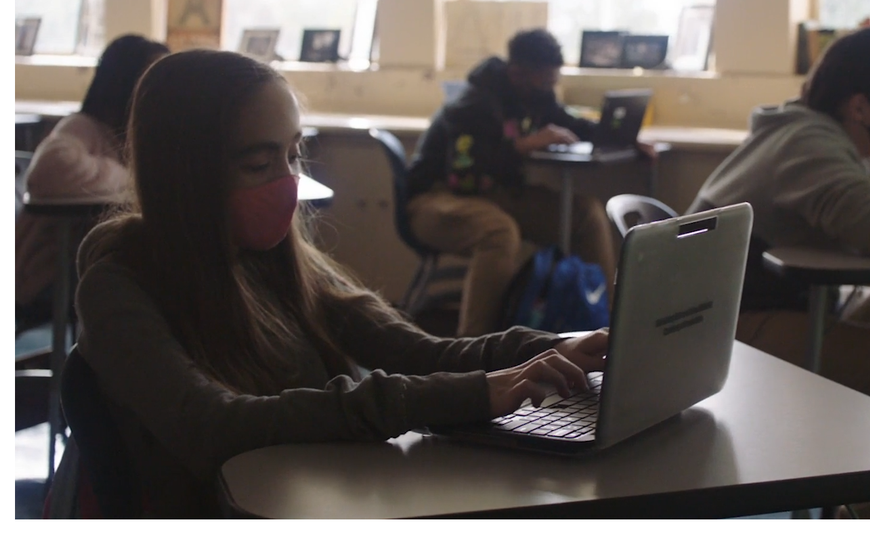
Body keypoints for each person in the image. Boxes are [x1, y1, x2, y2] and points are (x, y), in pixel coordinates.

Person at [52, 50, 608, 517]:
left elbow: (416, 351)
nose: (286, 184)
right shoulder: (117, 287)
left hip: (313, 502)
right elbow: (211, 425)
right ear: (186, 171)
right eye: (257, 163)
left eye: (292, 156)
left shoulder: (277, 258)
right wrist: (474, 392)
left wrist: (553, 350)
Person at [688, 28, 870, 429]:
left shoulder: (834, 137)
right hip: (726, 322)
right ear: (859, 107)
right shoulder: (809, 145)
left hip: (796, 300)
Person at [407, 29, 653, 336]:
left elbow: (570, 123)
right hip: (435, 198)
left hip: (493, 195)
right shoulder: (474, 103)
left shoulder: (535, 94)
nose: (551, 87)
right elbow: (463, 172)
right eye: (546, 81)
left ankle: (609, 330)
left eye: (554, 80)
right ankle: (473, 347)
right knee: (499, 232)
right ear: (517, 74)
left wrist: (624, 140)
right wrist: (525, 145)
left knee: (585, 214)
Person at [15, 34, 169, 334]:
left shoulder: (143, 138)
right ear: (124, 83)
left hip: (90, 268)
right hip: (45, 276)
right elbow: (48, 171)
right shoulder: (84, 127)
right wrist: (133, 182)